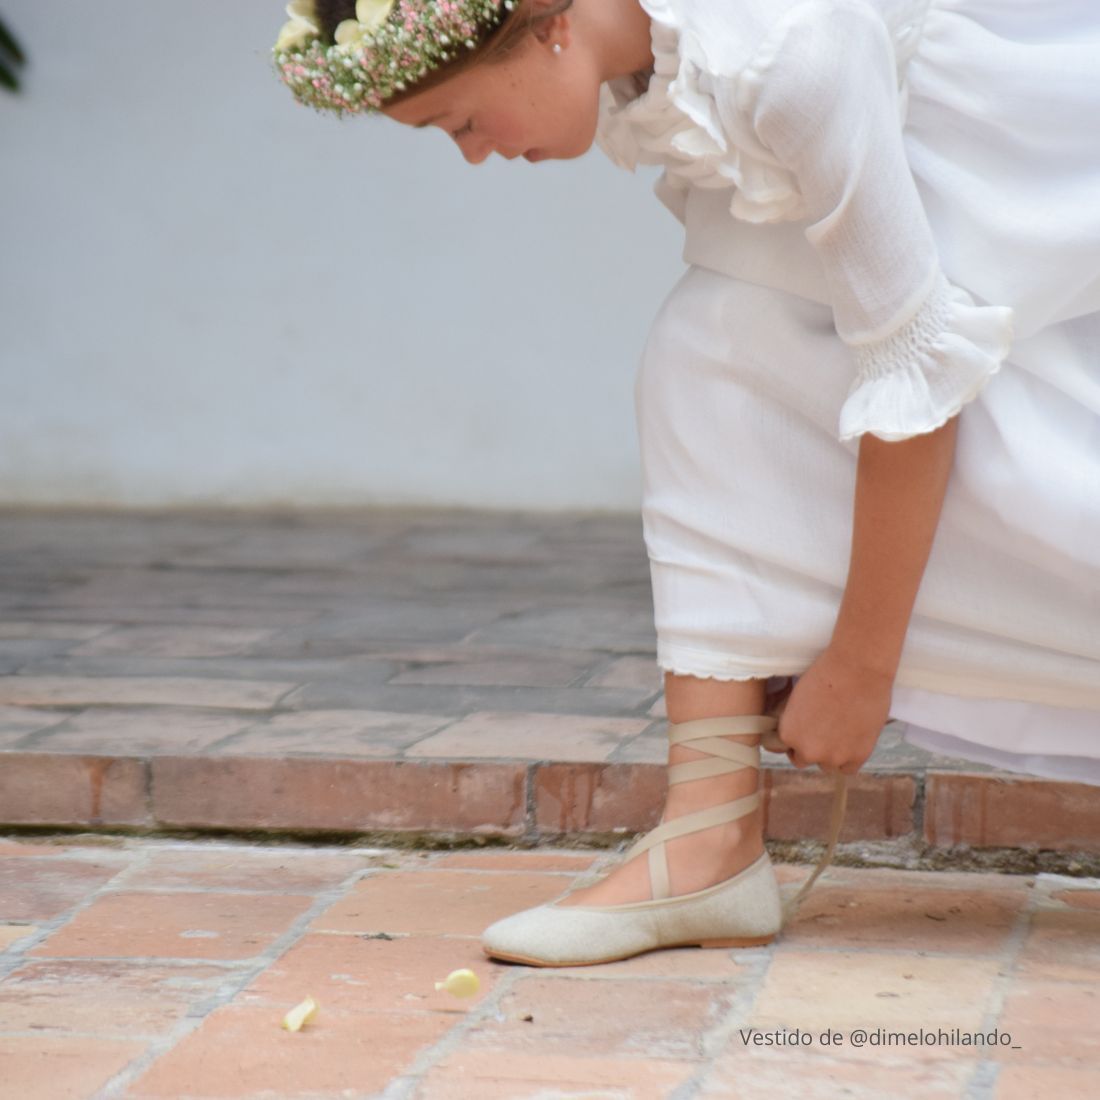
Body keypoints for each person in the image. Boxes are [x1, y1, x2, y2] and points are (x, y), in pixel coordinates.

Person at [272, 0, 1100, 967]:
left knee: (978, 446)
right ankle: (709, 838)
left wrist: (859, 667)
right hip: (958, 248)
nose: (472, 155)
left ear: (549, 26)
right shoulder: (657, 59)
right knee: (713, 341)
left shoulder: (789, 50)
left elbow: (919, 382)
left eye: (459, 122)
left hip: (1048, 205)